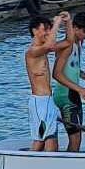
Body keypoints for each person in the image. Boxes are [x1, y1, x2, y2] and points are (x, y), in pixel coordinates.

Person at [53, 11, 85, 152]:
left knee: (78, 137)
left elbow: (73, 67)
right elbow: (57, 74)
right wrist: (81, 89)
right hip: (65, 96)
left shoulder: (78, 44)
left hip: (73, 94)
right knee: (75, 138)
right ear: (75, 28)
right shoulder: (68, 46)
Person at [25, 13, 69, 152]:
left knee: (51, 139)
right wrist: (56, 23)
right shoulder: (32, 52)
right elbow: (50, 45)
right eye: (46, 29)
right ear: (35, 31)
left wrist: (67, 22)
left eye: (50, 30)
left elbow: (69, 42)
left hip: (48, 101)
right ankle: (28, 166)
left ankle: (48, 168)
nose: (49, 33)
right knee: (41, 140)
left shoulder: (44, 50)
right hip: (40, 102)